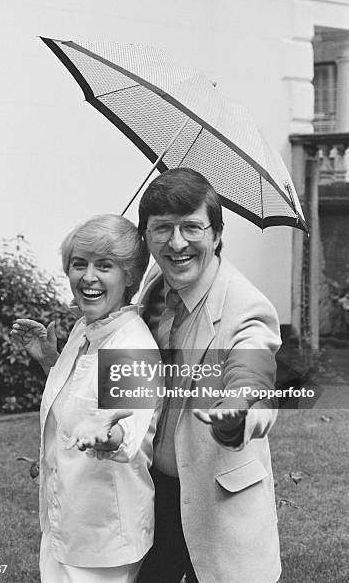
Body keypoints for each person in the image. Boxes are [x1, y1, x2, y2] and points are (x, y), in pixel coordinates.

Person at [136, 168, 282, 583]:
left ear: (216, 234)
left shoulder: (245, 305)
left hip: (218, 503)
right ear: (146, 236)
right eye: (162, 228)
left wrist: (238, 412)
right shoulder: (150, 288)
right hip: (153, 491)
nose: (177, 242)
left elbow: (253, 372)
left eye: (192, 227)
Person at [11, 214, 162, 583]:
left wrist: (106, 433)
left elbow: (126, 435)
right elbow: (79, 399)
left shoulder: (132, 348)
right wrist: (50, 359)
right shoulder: (86, 329)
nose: (88, 277)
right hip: (65, 520)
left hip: (102, 538)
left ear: (130, 277)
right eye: (80, 264)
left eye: (105, 265)